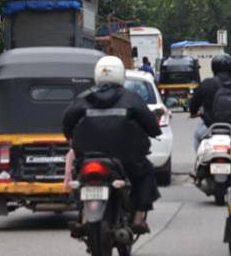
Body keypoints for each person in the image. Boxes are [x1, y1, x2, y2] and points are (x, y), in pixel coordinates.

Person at [62, 56, 161, 234]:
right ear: (120, 75)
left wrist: (71, 137)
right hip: (127, 159)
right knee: (145, 173)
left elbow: (66, 122)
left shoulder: (83, 97)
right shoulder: (132, 98)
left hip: (88, 156)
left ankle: (83, 217)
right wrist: (154, 131)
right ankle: (138, 217)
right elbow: (151, 124)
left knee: (79, 178)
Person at [188, 53, 231, 153]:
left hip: (210, 127)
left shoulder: (206, 84)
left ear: (213, 68)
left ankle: (199, 163)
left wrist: (193, 112)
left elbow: (193, 104)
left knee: (197, 135)